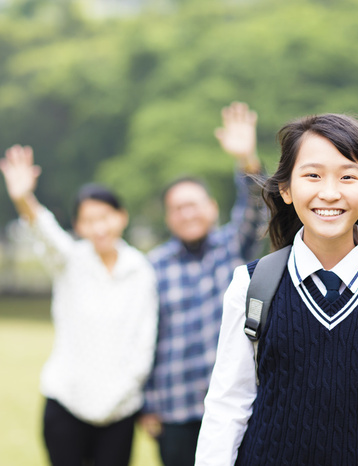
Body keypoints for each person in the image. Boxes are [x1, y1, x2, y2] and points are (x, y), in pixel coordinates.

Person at [195, 114, 358, 465]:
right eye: (312, 175)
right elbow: (227, 407)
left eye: (347, 176)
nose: (329, 193)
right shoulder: (251, 286)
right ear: (285, 189)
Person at [0, 145, 158, 466]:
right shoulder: (70, 261)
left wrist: (124, 393)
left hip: (120, 409)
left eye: (105, 217)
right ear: (78, 226)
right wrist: (23, 199)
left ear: (121, 217)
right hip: (66, 402)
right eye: (89, 220)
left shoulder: (140, 270)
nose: (99, 228)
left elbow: (144, 339)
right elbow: (46, 234)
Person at [140, 102, 266, 466]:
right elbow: (147, 336)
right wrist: (147, 405)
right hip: (175, 409)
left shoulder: (233, 247)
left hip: (235, 404)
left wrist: (247, 160)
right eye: (177, 208)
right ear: (168, 218)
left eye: (193, 205)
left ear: (212, 208)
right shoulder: (155, 266)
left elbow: (256, 206)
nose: (187, 213)